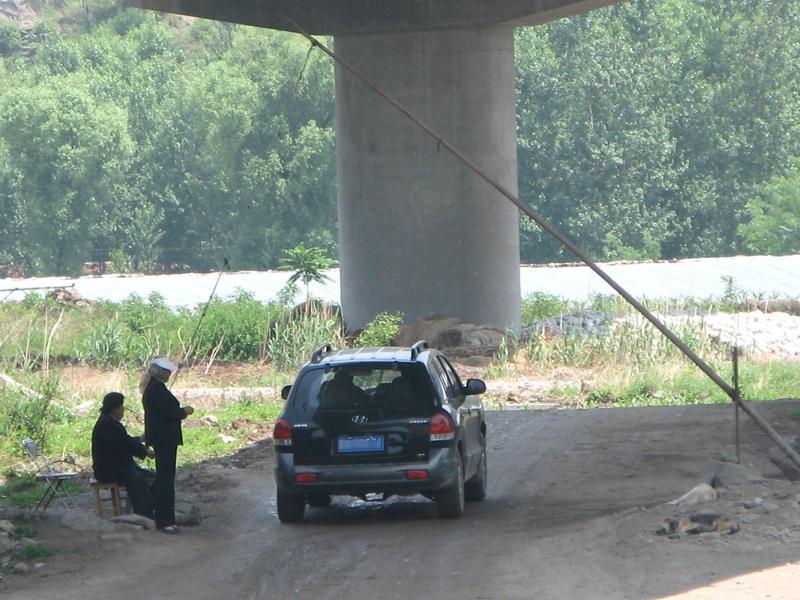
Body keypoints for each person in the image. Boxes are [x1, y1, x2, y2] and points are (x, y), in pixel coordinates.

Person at [141, 356, 194, 534]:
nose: (169, 374)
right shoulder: (157, 390)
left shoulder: (152, 388)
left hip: (161, 439)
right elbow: (171, 413)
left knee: (163, 478)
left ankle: (156, 512)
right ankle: (166, 520)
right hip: (165, 440)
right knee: (165, 479)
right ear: (161, 372)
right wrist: (184, 411)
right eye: (168, 372)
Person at [91, 392, 155, 519]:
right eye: (121, 407)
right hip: (108, 470)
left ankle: (152, 508)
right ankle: (144, 514)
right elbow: (124, 444)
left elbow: (125, 442)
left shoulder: (110, 423)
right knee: (137, 479)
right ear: (114, 408)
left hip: (118, 467)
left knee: (151, 476)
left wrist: (143, 447)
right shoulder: (106, 425)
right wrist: (141, 444)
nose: (123, 410)